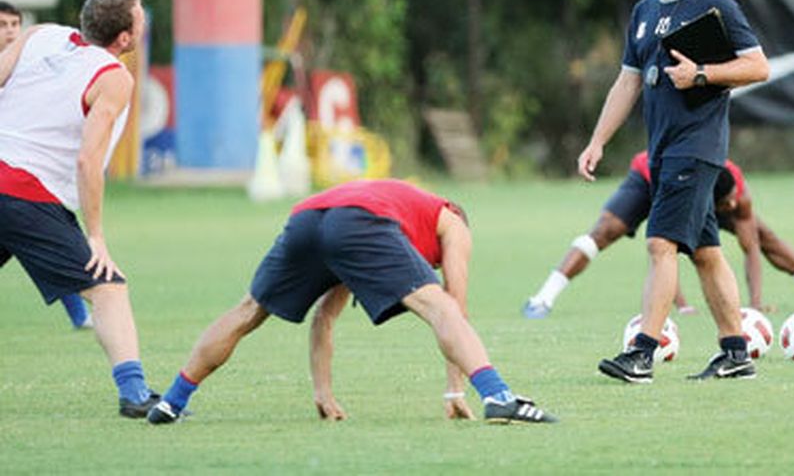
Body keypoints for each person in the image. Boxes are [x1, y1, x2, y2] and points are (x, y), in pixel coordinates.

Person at [145, 178, 555, 425]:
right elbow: (455, 309)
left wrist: (323, 392)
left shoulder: (395, 209)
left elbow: (325, 317)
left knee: (248, 310)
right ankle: (499, 397)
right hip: (361, 219)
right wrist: (455, 392)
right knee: (441, 308)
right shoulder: (451, 220)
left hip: (308, 216)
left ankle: (171, 402)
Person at [582, 0, 770, 384]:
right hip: (663, 151)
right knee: (705, 251)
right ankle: (735, 351)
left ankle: (642, 353)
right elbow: (627, 83)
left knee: (660, 244)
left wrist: (702, 74)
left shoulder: (713, 6)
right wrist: (597, 141)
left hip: (698, 146)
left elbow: (758, 66)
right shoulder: (644, 13)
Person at [0, 0, 160, 417]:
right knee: (108, 287)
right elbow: (89, 162)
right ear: (125, 37)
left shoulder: (40, 35)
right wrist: (96, 237)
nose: (143, 20)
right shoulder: (113, 77)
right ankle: (134, 394)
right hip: (25, 194)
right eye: (140, 15)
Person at [524, 150, 794, 317]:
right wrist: (683, 306)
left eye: (733, 202)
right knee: (606, 231)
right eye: (726, 205)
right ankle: (542, 298)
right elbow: (660, 249)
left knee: (765, 234)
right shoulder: (683, 191)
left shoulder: (737, 195)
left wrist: (755, 307)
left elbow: (752, 249)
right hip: (651, 177)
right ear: (712, 204)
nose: (733, 207)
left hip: (701, 180)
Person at [0, 0, 93, 331]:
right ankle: (88, 313)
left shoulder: (28, 64)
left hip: (21, 181)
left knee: (40, 244)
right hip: (11, 181)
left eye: (14, 24)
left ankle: (81, 315)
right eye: (3, 25)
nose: (10, 32)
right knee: (45, 244)